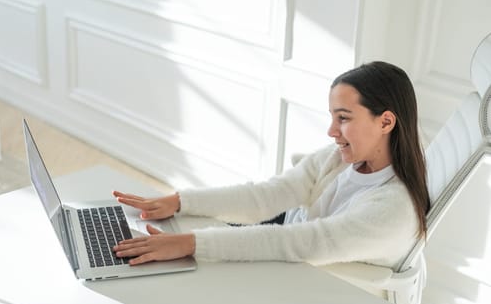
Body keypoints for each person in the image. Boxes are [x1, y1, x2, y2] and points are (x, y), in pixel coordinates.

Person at [112, 61, 430, 270]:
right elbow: (267, 196)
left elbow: (299, 243)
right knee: (173, 233)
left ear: (386, 121)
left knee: (184, 259)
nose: (331, 131)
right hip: (286, 227)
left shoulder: (391, 210)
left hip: (299, 260)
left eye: (343, 118)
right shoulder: (344, 157)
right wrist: (180, 201)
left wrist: (189, 243)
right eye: (332, 117)